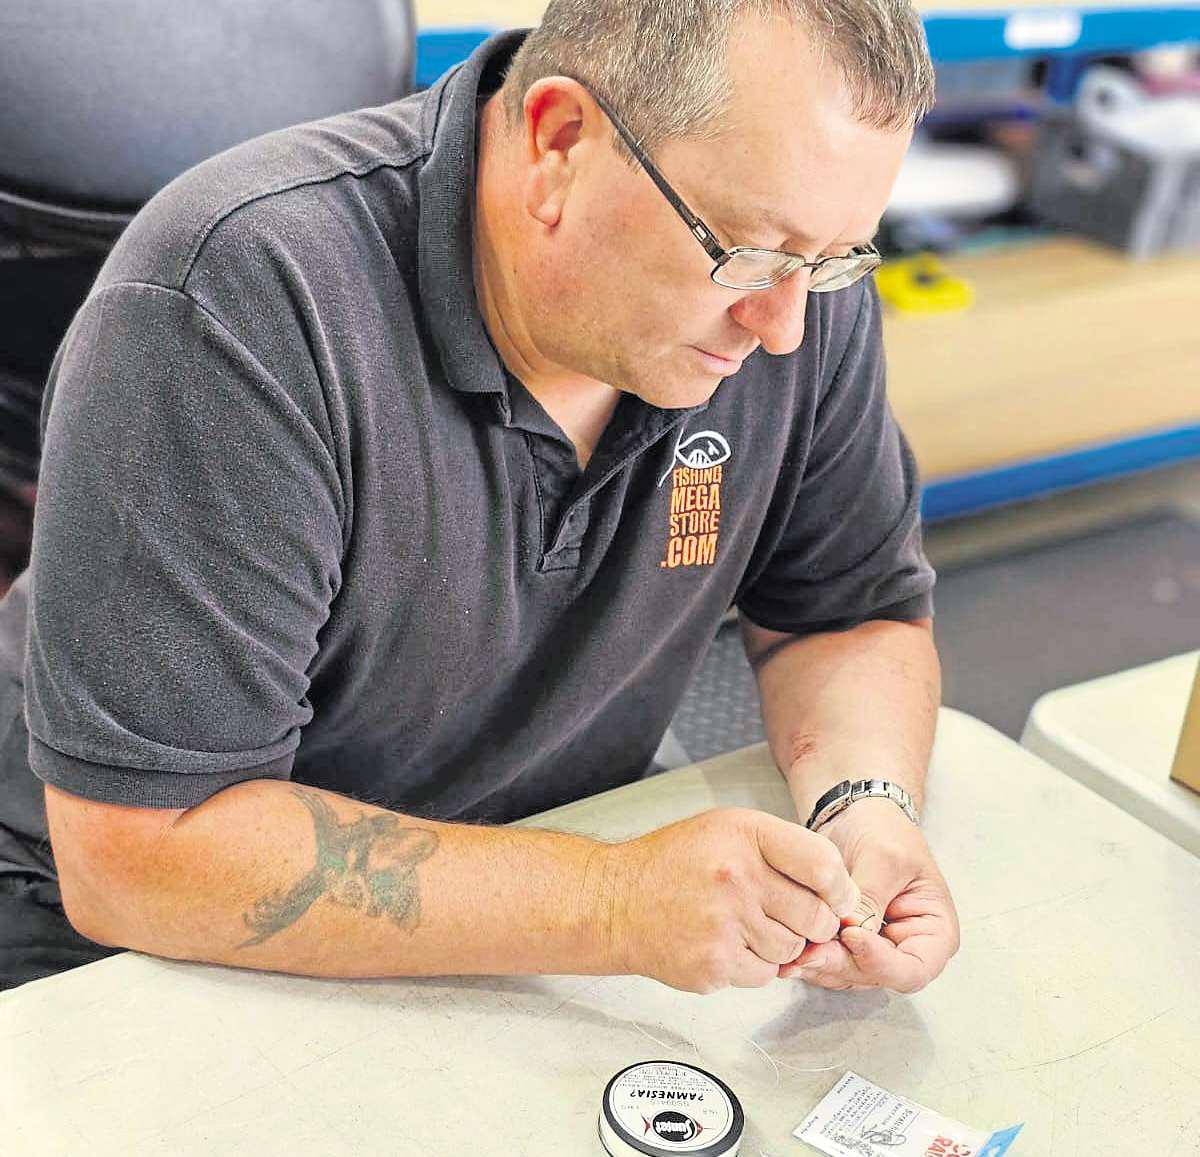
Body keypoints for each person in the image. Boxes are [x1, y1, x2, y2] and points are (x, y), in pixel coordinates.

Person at [0, 0, 959, 995]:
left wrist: (864, 798)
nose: (786, 326)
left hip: (551, 868)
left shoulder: (791, 292)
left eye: (836, 258)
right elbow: (141, 858)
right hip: (143, 944)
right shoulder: (237, 306)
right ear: (559, 142)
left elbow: (846, 610)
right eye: (751, 253)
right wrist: (616, 903)